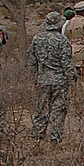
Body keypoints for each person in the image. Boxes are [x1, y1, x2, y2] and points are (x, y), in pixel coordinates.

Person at [28, 12, 77, 143]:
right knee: (58, 112)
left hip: (42, 80)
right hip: (60, 81)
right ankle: (54, 142)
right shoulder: (63, 40)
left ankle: (36, 141)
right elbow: (67, 64)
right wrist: (73, 83)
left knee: (41, 110)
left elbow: (32, 63)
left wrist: (33, 80)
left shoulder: (37, 39)